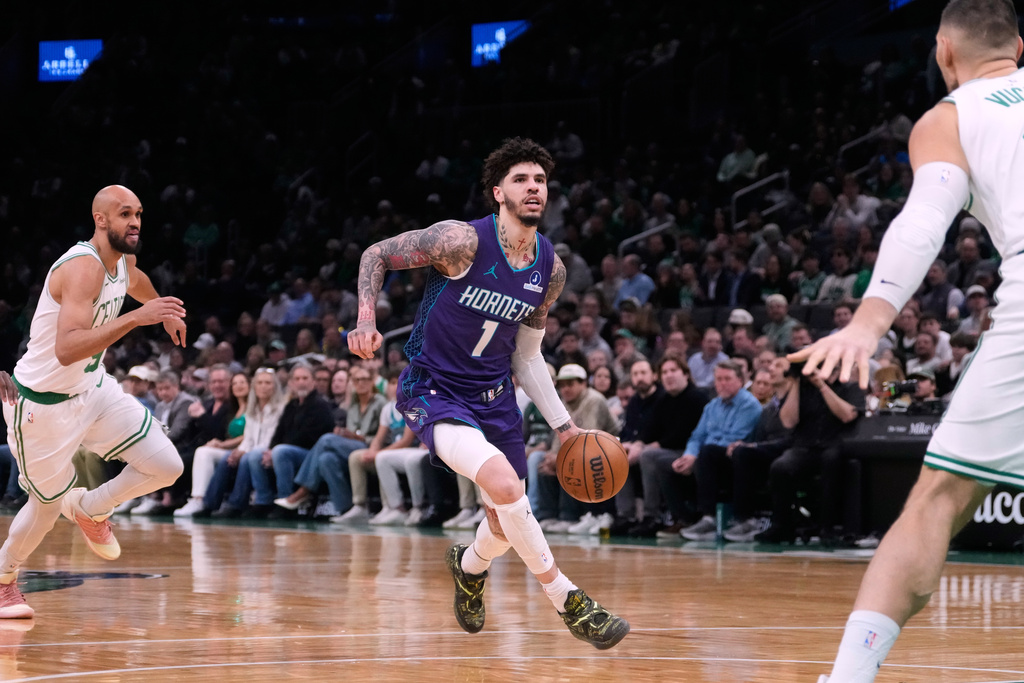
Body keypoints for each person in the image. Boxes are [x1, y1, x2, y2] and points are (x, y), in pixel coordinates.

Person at [801, 3, 1024, 680]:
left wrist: (868, 322)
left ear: (942, 53)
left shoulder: (952, 118)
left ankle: (849, 676)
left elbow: (925, 220)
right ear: (1018, 47)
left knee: (938, 499)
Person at [347, 137, 629, 649]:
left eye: (540, 180)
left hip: (495, 396)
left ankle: (469, 566)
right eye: (521, 180)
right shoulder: (460, 243)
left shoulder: (551, 270)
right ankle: (568, 600)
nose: (533, 188)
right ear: (498, 192)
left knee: (502, 521)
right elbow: (377, 254)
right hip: (434, 388)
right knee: (505, 485)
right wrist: (365, 318)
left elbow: (527, 355)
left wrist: (566, 428)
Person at [0, 185, 187, 618]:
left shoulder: (123, 262)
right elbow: (67, 349)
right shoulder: (82, 267)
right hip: (40, 406)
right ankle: (4, 579)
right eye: (125, 214)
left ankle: (90, 507)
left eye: (139, 213)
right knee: (44, 508)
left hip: (92, 388)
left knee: (166, 466)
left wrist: (163, 308)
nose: (135, 222)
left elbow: (136, 282)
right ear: (100, 219)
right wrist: (137, 318)